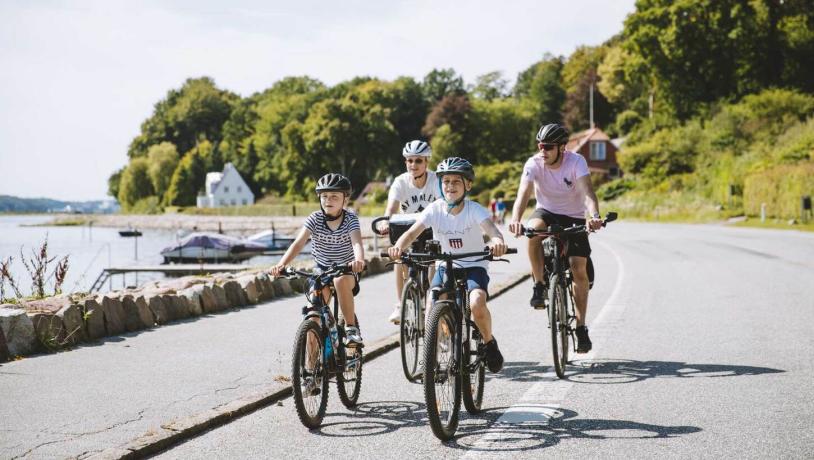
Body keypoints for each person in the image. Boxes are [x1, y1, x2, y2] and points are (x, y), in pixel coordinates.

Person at [388, 157, 508, 372]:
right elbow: (412, 232)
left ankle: (489, 342)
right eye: (446, 182)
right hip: (446, 266)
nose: (450, 186)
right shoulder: (435, 209)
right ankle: (430, 355)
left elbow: (492, 230)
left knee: (477, 302)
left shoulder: (474, 209)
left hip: (473, 265)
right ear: (440, 185)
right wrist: (398, 246)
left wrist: (498, 241)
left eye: (456, 182)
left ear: (467, 185)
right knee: (433, 302)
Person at [508, 123, 603, 353]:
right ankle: (539, 285)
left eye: (548, 147)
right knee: (532, 232)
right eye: (540, 146)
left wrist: (594, 215)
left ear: (562, 147)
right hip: (546, 211)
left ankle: (580, 328)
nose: (543, 151)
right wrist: (515, 219)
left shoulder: (576, 162)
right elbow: (523, 193)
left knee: (578, 268)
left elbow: (588, 193)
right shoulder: (534, 163)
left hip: (573, 216)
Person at [271, 173, 366, 347]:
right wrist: (281, 264)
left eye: (334, 197)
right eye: (324, 196)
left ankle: (351, 328)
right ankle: (311, 369)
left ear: (345, 199)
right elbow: (298, 244)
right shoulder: (315, 219)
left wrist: (359, 260)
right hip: (321, 271)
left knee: (340, 280)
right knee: (314, 315)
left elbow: (357, 243)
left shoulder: (350, 219)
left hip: (346, 270)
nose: (328, 200)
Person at [375, 140, 438, 325]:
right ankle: (401, 303)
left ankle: (433, 306)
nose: (414, 165)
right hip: (408, 229)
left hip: (431, 229)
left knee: (434, 262)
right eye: (410, 161)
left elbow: (443, 205)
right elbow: (391, 208)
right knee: (398, 254)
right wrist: (385, 223)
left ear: (427, 162)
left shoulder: (436, 180)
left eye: (418, 161)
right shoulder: (400, 182)